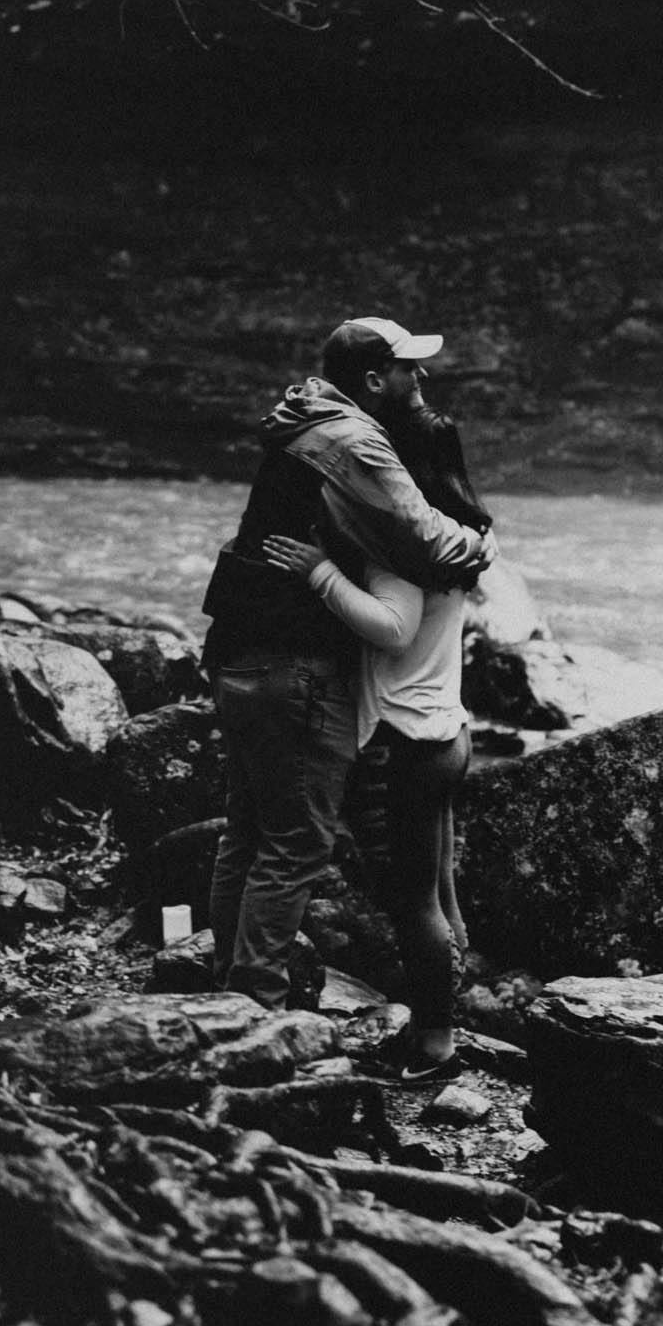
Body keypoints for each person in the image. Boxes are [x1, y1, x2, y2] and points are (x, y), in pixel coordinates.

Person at [201, 316, 491, 1009]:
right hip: (297, 665)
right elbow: (426, 539)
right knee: (297, 846)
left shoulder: (300, 419)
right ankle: (255, 1002)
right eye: (408, 367)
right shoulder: (355, 440)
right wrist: (482, 546)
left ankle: (229, 984)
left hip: (238, 650)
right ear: (372, 379)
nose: (421, 377)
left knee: (247, 832)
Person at [263, 403, 490, 1083]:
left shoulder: (402, 548)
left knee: (414, 903)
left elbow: (394, 628)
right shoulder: (464, 536)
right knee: (441, 895)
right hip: (448, 729)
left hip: (405, 740)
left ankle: (435, 1044)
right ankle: (444, 1020)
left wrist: (320, 572)